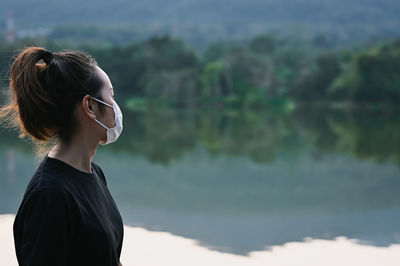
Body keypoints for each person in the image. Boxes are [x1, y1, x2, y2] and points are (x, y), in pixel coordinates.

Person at [0, 46, 124, 266]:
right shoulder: (49, 195)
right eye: (111, 96)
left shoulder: (94, 173)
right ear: (90, 106)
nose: (115, 107)